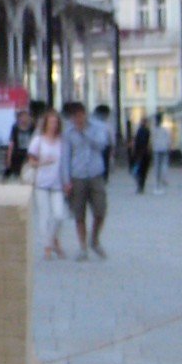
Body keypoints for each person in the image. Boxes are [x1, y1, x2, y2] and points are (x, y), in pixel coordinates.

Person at [60, 102, 111, 261]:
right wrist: (66, 180)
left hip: (95, 173)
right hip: (77, 175)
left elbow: (101, 145)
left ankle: (94, 239)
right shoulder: (68, 132)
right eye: (75, 116)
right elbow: (65, 157)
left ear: (85, 114)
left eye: (80, 115)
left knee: (100, 210)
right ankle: (82, 247)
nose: (78, 118)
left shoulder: (97, 128)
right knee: (79, 214)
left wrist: (85, 133)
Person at [26, 109, 67, 260]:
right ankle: (47, 247)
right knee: (45, 216)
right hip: (42, 182)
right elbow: (31, 161)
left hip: (57, 183)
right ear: (45, 124)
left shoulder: (61, 141)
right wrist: (43, 162)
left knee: (59, 215)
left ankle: (53, 239)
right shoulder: (39, 140)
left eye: (56, 122)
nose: (53, 125)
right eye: (51, 122)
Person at [4, 107, 34, 181]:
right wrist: (9, 157)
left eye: (26, 116)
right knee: (10, 169)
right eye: (22, 116)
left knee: (26, 171)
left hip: (28, 153)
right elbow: (12, 143)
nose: (24, 118)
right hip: (17, 153)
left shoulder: (32, 128)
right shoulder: (15, 128)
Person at [131, 116, 152, 194]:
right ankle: (141, 186)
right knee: (143, 171)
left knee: (138, 170)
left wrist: (134, 151)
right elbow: (147, 142)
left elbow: (136, 142)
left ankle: (140, 186)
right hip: (145, 153)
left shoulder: (139, 131)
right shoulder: (147, 131)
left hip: (139, 153)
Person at [92, 104, 114, 179]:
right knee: (105, 163)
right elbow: (111, 138)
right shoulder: (107, 125)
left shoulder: (94, 124)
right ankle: (104, 176)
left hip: (101, 146)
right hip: (105, 146)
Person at [152, 113, 172, 193]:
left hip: (157, 149)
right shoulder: (165, 130)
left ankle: (157, 183)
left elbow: (152, 140)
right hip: (164, 149)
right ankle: (163, 179)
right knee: (164, 165)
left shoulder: (154, 130)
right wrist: (168, 147)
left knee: (157, 166)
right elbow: (168, 140)